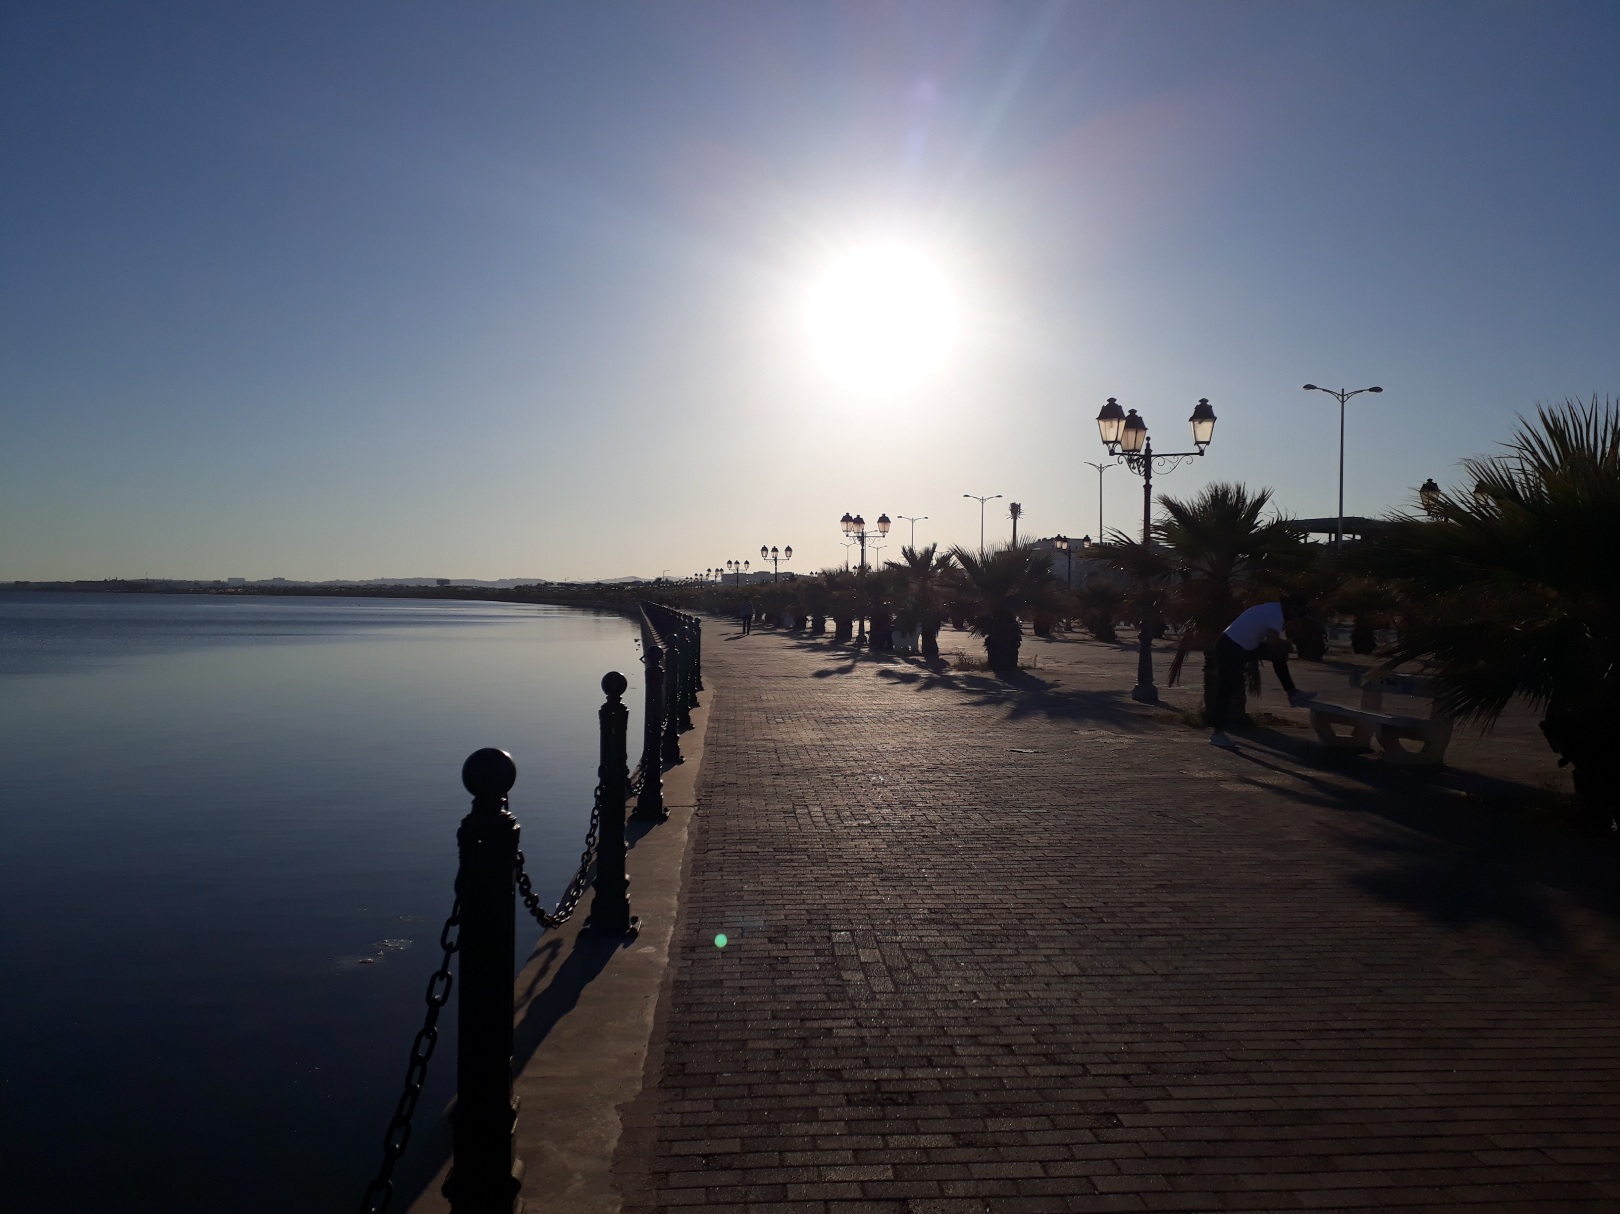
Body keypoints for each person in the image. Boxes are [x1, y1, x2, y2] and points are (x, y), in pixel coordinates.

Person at [1209, 595, 1311, 748]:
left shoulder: (1271, 609)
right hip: (1230, 648)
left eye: (1300, 612)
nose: (1295, 615)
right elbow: (1272, 641)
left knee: (1278, 655)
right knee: (1226, 690)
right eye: (1295, 611)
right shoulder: (1276, 614)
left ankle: (1293, 694)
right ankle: (1217, 734)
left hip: (1242, 646)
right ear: (1287, 606)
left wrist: (1282, 646)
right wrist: (1287, 644)